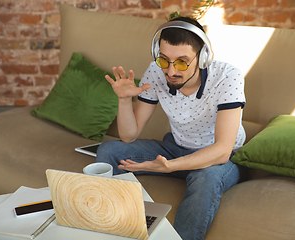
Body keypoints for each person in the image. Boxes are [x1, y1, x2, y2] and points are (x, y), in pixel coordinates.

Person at [96, 16, 246, 240]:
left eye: (182, 62)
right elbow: (129, 136)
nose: (171, 71)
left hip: (220, 158)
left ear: (203, 57)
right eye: (164, 60)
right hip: (176, 147)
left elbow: (223, 150)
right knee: (109, 151)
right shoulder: (157, 72)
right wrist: (125, 101)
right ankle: (111, 227)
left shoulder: (227, 77)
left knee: (206, 179)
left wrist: (169, 167)